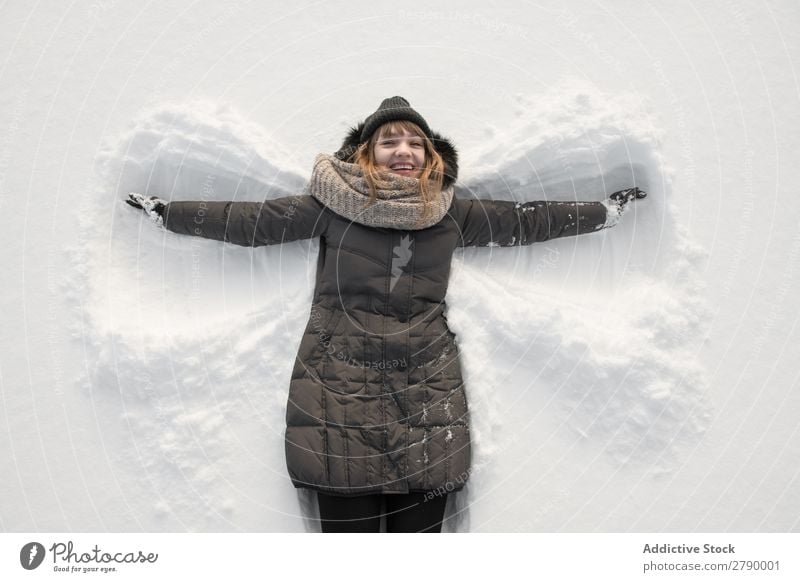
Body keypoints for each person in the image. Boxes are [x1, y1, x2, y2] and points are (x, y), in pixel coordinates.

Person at [125, 96, 646, 533]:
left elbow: (529, 222)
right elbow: (251, 222)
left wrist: (602, 213)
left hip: (425, 390)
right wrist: (170, 213)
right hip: (336, 386)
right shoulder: (331, 204)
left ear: (431, 155)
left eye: (415, 142)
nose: (404, 151)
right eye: (390, 141)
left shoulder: (450, 211)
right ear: (367, 153)